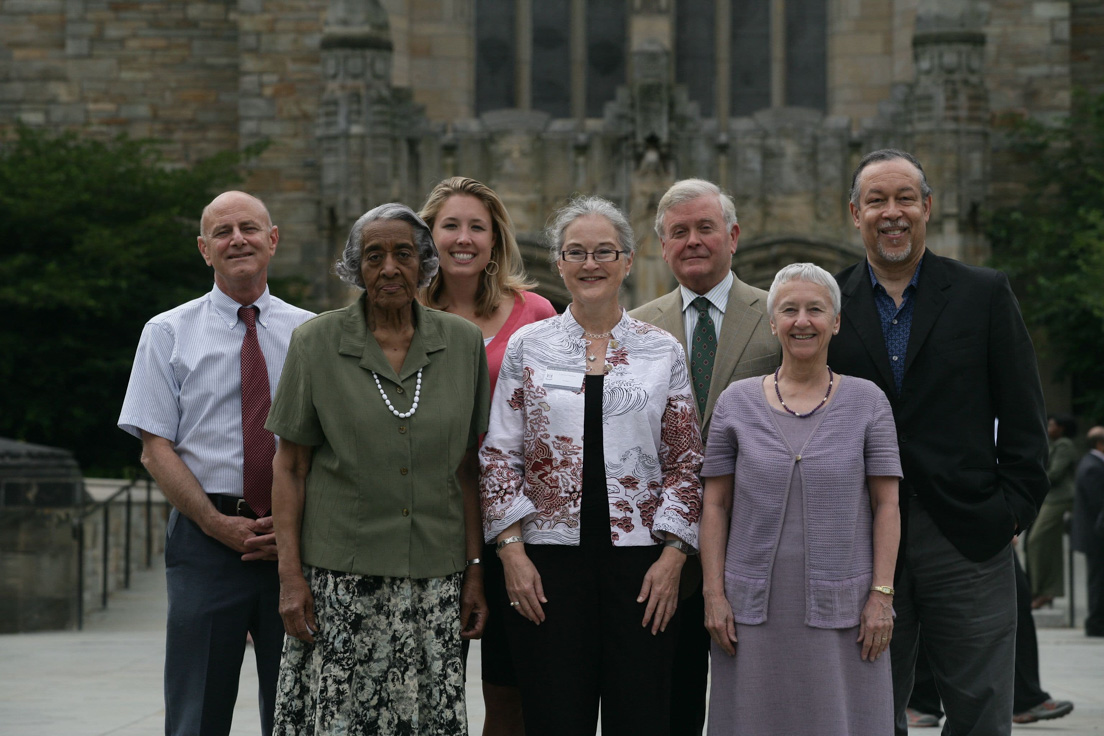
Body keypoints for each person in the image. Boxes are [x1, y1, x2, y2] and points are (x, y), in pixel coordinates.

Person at [827, 149, 1050, 736]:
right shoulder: (828, 309)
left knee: (980, 706)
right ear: (855, 213)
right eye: (877, 200)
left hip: (968, 536)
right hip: (861, 536)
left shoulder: (983, 294)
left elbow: (1025, 417)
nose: (891, 213)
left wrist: (1011, 514)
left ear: (927, 207)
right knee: (870, 707)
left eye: (905, 198)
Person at [480, 195, 704, 736]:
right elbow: (498, 455)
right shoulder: (529, 347)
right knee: (555, 716)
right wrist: (511, 553)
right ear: (558, 263)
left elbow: (686, 462)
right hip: (547, 569)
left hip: (643, 570)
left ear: (628, 261)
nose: (590, 264)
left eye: (605, 251)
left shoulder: (662, 351)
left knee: (641, 716)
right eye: (575, 252)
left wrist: (674, 557)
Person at [265, 203, 490, 734]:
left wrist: (476, 571)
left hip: (436, 581)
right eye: (374, 256)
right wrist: (290, 578)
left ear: (424, 265)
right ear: (355, 267)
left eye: (403, 254)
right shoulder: (316, 343)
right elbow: (290, 467)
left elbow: (468, 469)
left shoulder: (461, 344)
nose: (389, 268)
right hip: (342, 583)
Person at [118, 191, 314, 735]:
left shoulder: (315, 334)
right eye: (222, 232)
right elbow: (155, 445)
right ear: (205, 250)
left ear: (272, 240)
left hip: (296, 541)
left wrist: (301, 519)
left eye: (249, 227)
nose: (237, 239)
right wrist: (213, 522)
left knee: (297, 709)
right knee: (196, 712)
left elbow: (332, 445)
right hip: (205, 544)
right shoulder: (166, 333)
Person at [699, 262, 900, 735]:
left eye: (815, 309)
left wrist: (882, 595)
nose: (801, 321)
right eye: (789, 310)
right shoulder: (736, 401)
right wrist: (713, 594)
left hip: (846, 610)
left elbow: (886, 505)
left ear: (835, 321)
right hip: (750, 611)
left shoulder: (869, 402)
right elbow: (715, 504)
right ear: (773, 324)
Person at [629, 178, 779, 736]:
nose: (693, 241)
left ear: (733, 235)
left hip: (757, 540)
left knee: (759, 702)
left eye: (705, 228)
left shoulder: (777, 315)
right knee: (672, 704)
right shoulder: (636, 325)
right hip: (661, 553)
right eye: (678, 232)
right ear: (661, 245)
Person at [418, 175, 557, 735]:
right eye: (450, 225)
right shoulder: (404, 312)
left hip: (515, 524)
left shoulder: (536, 313)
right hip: (431, 512)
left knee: (511, 690)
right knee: (424, 684)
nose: (464, 238)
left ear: (496, 240)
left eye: (478, 226)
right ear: (429, 236)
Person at [906, 551, 1076, 726]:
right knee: (927, 597)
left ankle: (1024, 698)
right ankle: (918, 701)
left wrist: (1016, 523)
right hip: (921, 532)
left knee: (1016, 595)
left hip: (983, 529)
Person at [1028, 414, 1079, 608]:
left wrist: (1031, 479)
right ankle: (1047, 591)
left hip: (1060, 499)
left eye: (1052, 425)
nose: (1049, 427)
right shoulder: (1054, 444)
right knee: (1049, 546)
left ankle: (1041, 590)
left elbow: (1055, 474)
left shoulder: (1064, 445)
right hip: (1052, 498)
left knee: (1037, 541)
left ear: (1062, 428)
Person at [1074, 425, 1104, 637]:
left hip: (1094, 534)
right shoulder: (1094, 467)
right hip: (1096, 535)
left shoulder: (1092, 464)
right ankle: (1095, 623)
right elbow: (1098, 504)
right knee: (1098, 581)